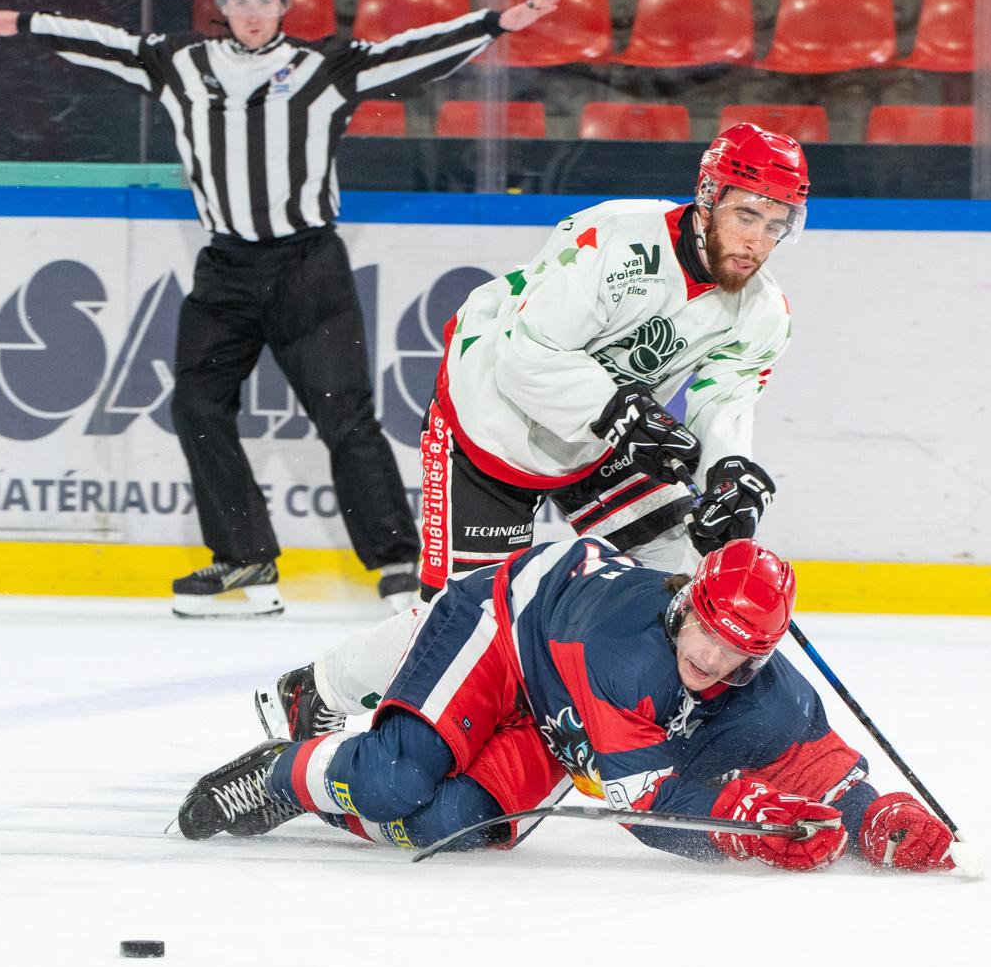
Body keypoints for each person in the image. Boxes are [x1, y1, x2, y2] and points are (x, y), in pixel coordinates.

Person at [0, 0, 562, 617]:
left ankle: (397, 563)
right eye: (240, 0)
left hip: (308, 266)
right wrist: (25, 24)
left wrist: (492, 24)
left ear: (284, 5)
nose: (252, 13)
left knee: (345, 414)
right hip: (225, 267)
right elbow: (106, 45)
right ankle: (245, 559)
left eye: (264, 0)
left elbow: (410, 55)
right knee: (196, 404)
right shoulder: (179, 64)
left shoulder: (321, 70)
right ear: (222, 6)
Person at [263, 121, 810, 724]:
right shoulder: (615, 241)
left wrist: (726, 477)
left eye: (776, 224)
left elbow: (724, 401)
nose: (757, 241)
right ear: (708, 197)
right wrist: (617, 411)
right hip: (492, 421)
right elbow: (528, 356)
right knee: (466, 629)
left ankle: (636, 714)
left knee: (682, 566)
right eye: (747, 215)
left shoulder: (762, 310)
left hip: (601, 438)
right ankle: (317, 691)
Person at [178, 536, 962, 873]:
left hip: (564, 728)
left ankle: (328, 786)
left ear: (763, 658)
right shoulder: (626, 656)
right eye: (705, 628)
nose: (710, 656)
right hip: (508, 635)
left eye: (737, 651)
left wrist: (873, 819)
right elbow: (650, 808)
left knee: (442, 828)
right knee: (393, 777)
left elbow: (819, 769)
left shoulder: (768, 693)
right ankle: (285, 774)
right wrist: (747, 827)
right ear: (685, 601)